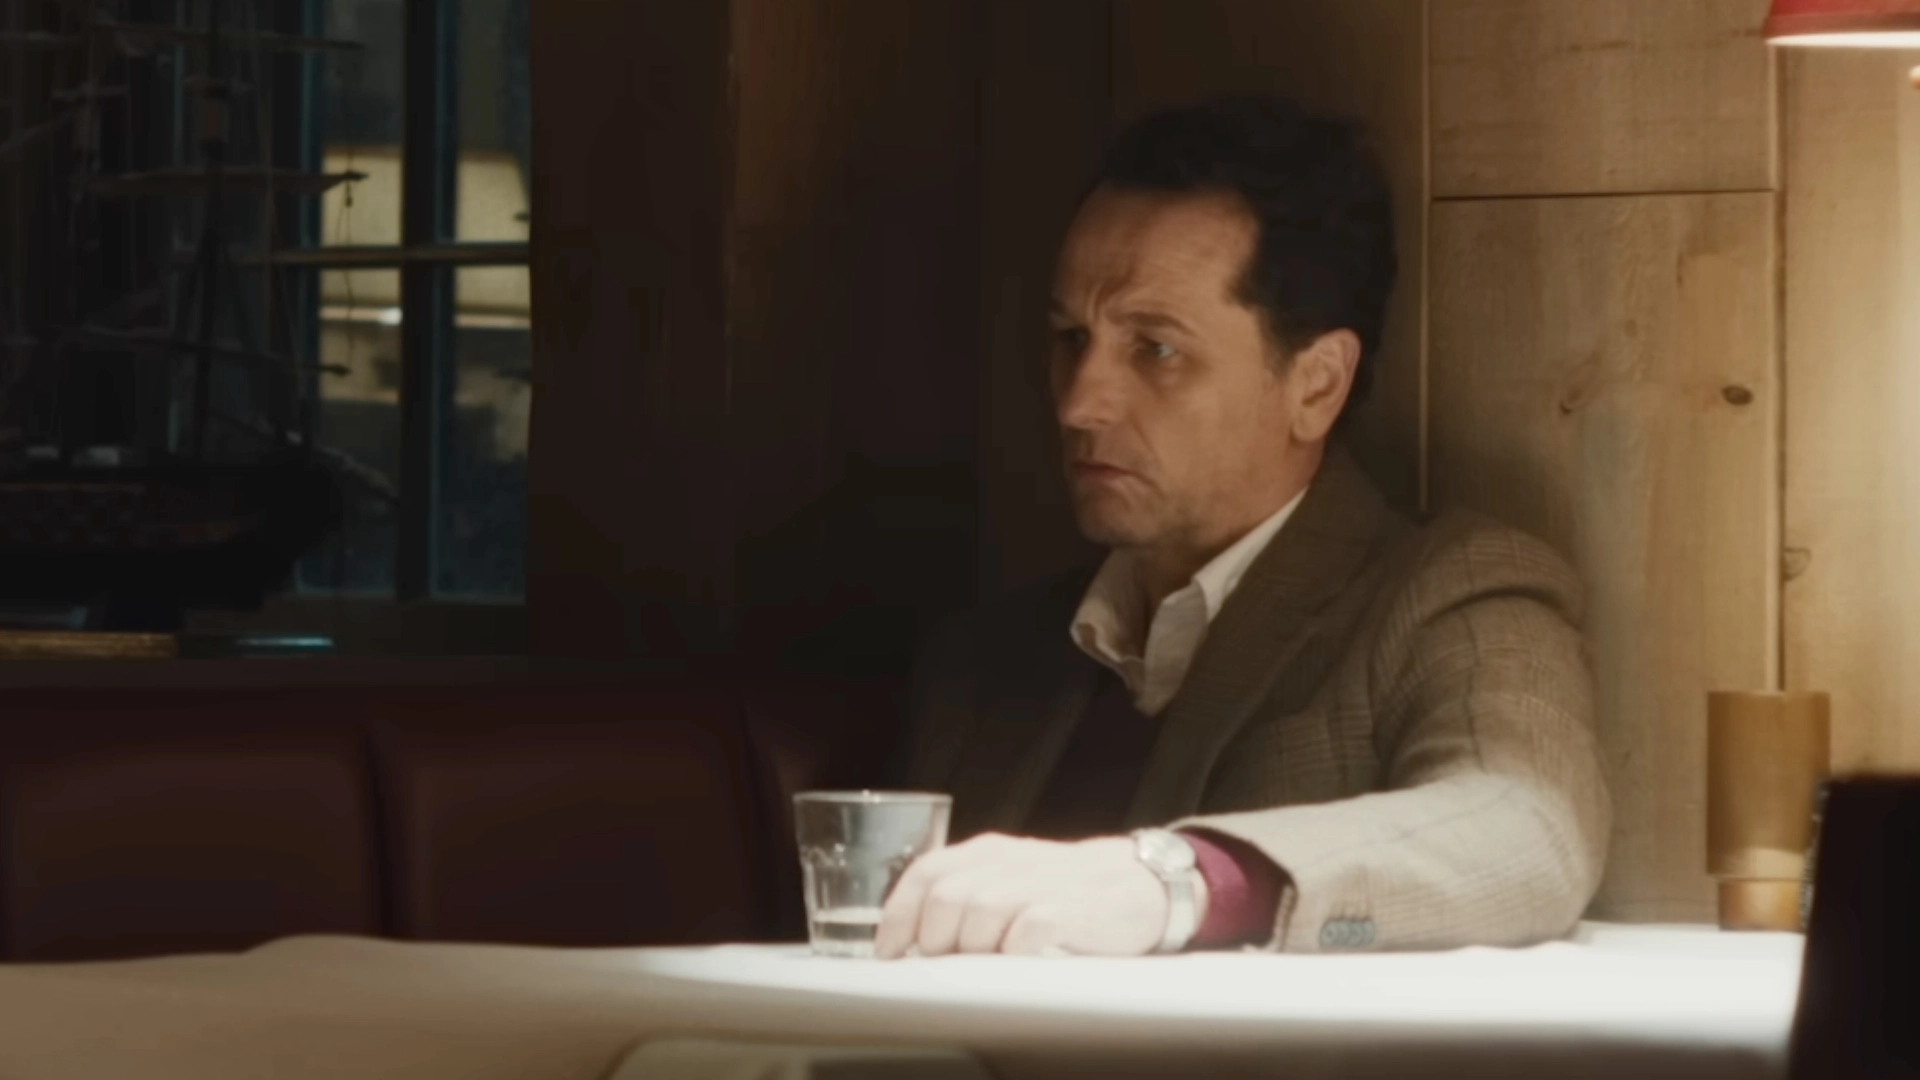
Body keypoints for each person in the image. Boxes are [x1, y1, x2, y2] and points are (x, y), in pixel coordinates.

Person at [879, 95, 1610, 958]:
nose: (1080, 403)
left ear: (1316, 385)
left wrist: (1181, 882)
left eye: (1156, 349)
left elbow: (1526, 830)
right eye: (1071, 337)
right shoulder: (982, 661)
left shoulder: (1451, 594)